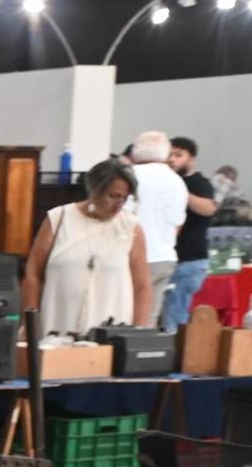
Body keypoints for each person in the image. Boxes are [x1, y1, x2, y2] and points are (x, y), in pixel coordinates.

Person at [20, 157, 149, 339]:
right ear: (94, 191)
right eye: (113, 196)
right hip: (57, 326)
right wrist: (29, 323)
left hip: (111, 332)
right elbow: (33, 273)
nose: (119, 204)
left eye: (124, 198)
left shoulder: (130, 227)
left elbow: (142, 286)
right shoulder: (59, 219)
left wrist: (138, 333)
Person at [129, 130, 188, 326]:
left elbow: (123, 220)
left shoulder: (131, 177)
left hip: (135, 260)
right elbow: (177, 225)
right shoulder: (177, 181)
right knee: (148, 321)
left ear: (135, 152)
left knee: (124, 320)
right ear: (165, 153)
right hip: (165, 257)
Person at [162, 136, 217, 331]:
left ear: (191, 159)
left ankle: (176, 358)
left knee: (174, 317)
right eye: (169, 154)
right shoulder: (164, 181)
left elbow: (209, 208)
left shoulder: (199, 183)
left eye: (178, 155)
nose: (172, 159)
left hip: (189, 261)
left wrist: (182, 193)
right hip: (168, 258)